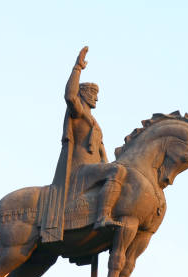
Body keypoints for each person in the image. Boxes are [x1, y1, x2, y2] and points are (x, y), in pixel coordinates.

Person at [40, 46, 126, 243]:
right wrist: (77, 68)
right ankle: (102, 216)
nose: (96, 97)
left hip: (94, 168)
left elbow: (102, 152)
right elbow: (70, 95)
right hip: (80, 170)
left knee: (118, 171)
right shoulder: (78, 112)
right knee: (116, 172)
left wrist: (109, 163)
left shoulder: (95, 122)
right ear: (84, 94)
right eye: (93, 93)